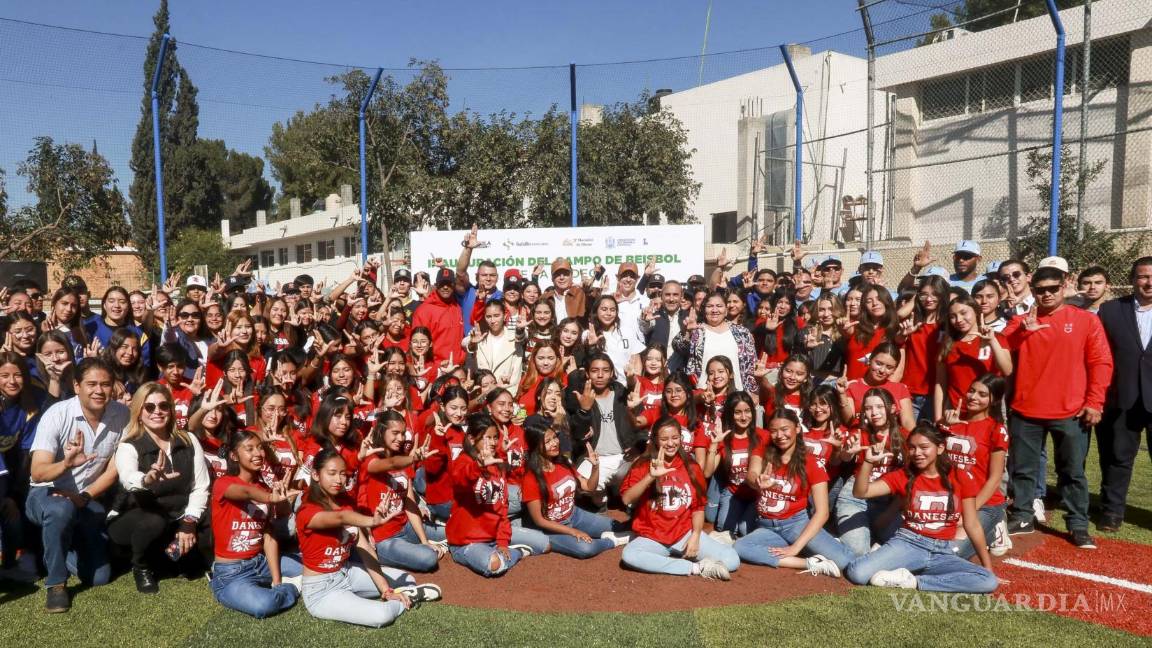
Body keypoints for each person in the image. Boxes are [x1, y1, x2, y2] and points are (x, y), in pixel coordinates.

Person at [1002, 258, 1112, 549]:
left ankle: (1077, 523)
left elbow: (1101, 362)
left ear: (1064, 286)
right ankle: (1023, 514)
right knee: (1023, 469)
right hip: (1026, 410)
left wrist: (1095, 402)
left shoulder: (1086, 320)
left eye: (1052, 288)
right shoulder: (1020, 321)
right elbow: (998, 350)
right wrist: (1023, 330)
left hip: (1071, 411)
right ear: (1033, 290)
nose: (1047, 294)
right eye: (1040, 290)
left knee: (1072, 471)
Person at [26, 358, 130, 612]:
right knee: (60, 510)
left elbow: (114, 469)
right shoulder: (57, 414)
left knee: (99, 577)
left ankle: (57, 542)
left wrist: (83, 496)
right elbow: (38, 472)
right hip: (46, 493)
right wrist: (66, 464)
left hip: (84, 497)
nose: (99, 390)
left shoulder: (122, 414)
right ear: (76, 386)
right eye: (91, 384)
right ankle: (56, 584)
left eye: (105, 384)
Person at [845, 423, 998, 593]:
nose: (917, 453)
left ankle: (912, 581)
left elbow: (972, 524)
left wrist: (987, 567)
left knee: (988, 581)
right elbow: (861, 492)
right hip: (909, 543)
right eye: (912, 448)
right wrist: (868, 462)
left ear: (940, 448)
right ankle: (891, 560)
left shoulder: (960, 476)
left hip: (942, 551)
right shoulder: (903, 475)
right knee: (857, 572)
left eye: (924, 447)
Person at [297, 447, 440, 627]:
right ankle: (398, 602)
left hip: (346, 572)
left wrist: (386, 591)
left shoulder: (345, 502)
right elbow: (341, 518)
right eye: (331, 473)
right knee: (382, 616)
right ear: (316, 475)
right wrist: (371, 521)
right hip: (322, 590)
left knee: (407, 579)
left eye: (342, 474)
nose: (338, 480)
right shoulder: (307, 511)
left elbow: (364, 549)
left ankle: (387, 596)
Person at [109, 382, 213, 593]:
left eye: (163, 406)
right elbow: (128, 477)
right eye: (149, 407)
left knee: (193, 562)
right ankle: (141, 565)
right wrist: (146, 479)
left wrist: (189, 522)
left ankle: (171, 558)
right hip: (135, 518)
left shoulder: (189, 439)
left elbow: (201, 487)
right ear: (138, 411)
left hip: (177, 517)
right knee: (153, 522)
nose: (157, 411)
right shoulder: (128, 445)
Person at [733, 409, 854, 576]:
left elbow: (823, 512)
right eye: (774, 431)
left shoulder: (810, 462)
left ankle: (816, 543)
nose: (779, 435)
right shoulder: (763, 450)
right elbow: (751, 475)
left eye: (785, 429)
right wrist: (758, 482)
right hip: (767, 525)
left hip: (796, 524)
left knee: (844, 561)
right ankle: (811, 562)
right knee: (741, 547)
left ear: (797, 429)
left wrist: (795, 547)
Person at [619, 416, 740, 580]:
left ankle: (670, 558)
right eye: (664, 439)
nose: (670, 443)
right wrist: (650, 476)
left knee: (731, 560)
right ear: (655, 440)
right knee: (630, 555)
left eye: (675, 438)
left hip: (683, 534)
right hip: (653, 536)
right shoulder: (643, 464)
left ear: (681, 439)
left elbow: (698, 507)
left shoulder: (691, 467)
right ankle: (697, 567)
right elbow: (627, 499)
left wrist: (696, 535)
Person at [209, 430, 301, 618]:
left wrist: (277, 580)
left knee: (313, 567)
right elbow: (244, 492)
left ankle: (282, 585)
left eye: (260, 448)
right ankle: (296, 586)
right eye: (249, 449)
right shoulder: (224, 483)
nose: (258, 453)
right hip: (232, 572)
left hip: (261, 563)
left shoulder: (264, 488)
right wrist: (269, 497)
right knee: (263, 606)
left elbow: (269, 536)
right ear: (234, 456)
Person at [1096, 256, 1152, 532]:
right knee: (1118, 457)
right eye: (1143, 276)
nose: (1149, 282)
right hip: (1123, 396)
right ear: (1132, 280)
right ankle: (1112, 511)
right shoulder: (1110, 310)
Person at [446, 412, 540, 577]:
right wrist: (479, 466)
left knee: (543, 544)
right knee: (494, 564)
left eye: (495, 437)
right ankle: (517, 553)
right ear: (472, 439)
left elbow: (502, 507)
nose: (493, 442)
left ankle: (512, 550)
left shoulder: (497, 464)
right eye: (486, 438)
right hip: (466, 542)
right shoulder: (463, 462)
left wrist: (503, 542)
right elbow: (461, 479)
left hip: (494, 536)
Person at [521, 417, 625, 558]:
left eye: (554, 438)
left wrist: (595, 467)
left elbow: (589, 487)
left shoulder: (563, 462)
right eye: (547, 441)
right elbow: (539, 520)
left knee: (617, 526)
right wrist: (573, 532)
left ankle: (608, 534)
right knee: (585, 548)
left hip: (574, 515)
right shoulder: (531, 478)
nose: (555, 443)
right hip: (551, 529)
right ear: (536, 447)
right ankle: (611, 541)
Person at [360, 411, 447, 573]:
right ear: (381, 431)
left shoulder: (402, 458)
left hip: (405, 527)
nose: (400, 439)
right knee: (429, 559)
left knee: (452, 532)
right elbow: (391, 464)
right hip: (384, 538)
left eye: (402, 433)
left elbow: (409, 503)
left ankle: (417, 546)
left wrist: (424, 540)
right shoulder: (370, 460)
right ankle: (386, 557)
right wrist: (412, 459)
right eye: (395, 433)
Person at [939, 374, 1011, 558]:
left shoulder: (996, 429)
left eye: (982, 394)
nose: (973, 397)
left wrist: (968, 514)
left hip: (983, 503)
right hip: (948, 499)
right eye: (971, 391)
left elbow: (995, 478)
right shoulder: (951, 421)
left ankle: (993, 527)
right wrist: (943, 426)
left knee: (950, 553)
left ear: (993, 400)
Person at [566, 353, 643, 509]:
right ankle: (600, 502)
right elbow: (578, 433)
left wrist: (638, 448)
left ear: (612, 373)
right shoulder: (583, 396)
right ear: (587, 374)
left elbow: (640, 424)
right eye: (594, 370)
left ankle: (625, 501)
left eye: (605, 370)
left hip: (624, 456)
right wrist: (584, 410)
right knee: (581, 484)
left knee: (643, 472)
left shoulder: (622, 394)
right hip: (597, 459)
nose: (600, 375)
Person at [702, 391, 763, 537]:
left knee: (744, 529)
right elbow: (707, 473)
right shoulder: (724, 438)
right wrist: (714, 444)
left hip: (757, 494)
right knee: (723, 527)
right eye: (737, 412)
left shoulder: (762, 435)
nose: (743, 417)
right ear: (730, 414)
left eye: (747, 411)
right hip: (733, 493)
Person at [675, 292, 758, 397]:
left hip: (737, 395)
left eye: (719, 306)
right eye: (710, 306)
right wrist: (687, 332)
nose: (714, 310)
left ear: (726, 309)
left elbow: (750, 365)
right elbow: (678, 347)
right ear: (704, 309)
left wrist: (754, 393)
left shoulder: (742, 332)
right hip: (704, 394)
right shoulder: (697, 330)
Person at [454, 224, 501, 335]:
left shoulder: (502, 297)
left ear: (497, 277)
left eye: (492, 275)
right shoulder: (468, 292)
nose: (488, 279)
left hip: (493, 347)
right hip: (470, 347)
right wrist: (468, 248)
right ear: (476, 276)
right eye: (484, 275)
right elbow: (460, 272)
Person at [464, 299, 523, 389]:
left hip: (504, 395)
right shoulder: (480, 337)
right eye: (488, 316)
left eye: (496, 316)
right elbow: (465, 344)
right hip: (482, 395)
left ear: (505, 316)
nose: (492, 320)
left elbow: (516, 376)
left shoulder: (514, 339)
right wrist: (472, 345)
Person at [411, 268, 464, 365]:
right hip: (435, 370)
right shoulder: (423, 311)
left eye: (449, 284)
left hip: (457, 369)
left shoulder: (457, 307)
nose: (445, 287)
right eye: (442, 284)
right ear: (436, 285)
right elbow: (417, 347)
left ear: (454, 285)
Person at [641, 280, 689, 372]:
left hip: (680, 377)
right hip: (655, 375)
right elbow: (644, 329)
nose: (671, 299)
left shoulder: (688, 318)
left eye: (675, 295)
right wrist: (645, 321)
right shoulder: (653, 316)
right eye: (667, 294)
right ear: (661, 296)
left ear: (681, 296)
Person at [545, 257, 587, 323]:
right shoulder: (545, 298)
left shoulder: (581, 294)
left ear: (571, 276)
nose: (562, 277)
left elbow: (594, 300)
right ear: (552, 278)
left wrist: (588, 289)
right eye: (557, 274)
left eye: (565, 274)